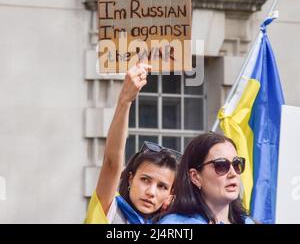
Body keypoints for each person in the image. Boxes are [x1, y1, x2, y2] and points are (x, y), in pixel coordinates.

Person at [84, 63, 180, 224]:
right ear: (130, 179)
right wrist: (125, 100)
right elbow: (111, 163)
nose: (151, 192)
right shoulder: (110, 211)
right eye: (145, 180)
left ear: (171, 194)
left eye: (162, 186)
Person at [159, 132, 255, 224]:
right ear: (195, 177)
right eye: (221, 165)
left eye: (236, 164)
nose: (233, 173)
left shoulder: (248, 222)